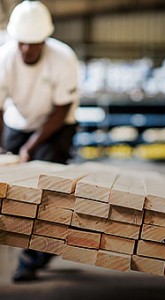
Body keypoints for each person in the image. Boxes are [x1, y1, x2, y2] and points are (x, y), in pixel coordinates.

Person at [0, 1, 79, 281]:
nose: (26, 49)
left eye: (32, 44)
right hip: (18, 121)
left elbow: (61, 110)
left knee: (48, 190)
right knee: (13, 187)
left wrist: (30, 148)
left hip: (55, 126)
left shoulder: (63, 57)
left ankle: (34, 257)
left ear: (44, 40)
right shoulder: (5, 57)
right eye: (21, 42)